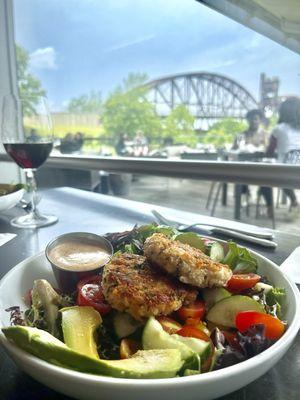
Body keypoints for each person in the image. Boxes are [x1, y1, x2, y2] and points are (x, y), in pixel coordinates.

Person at [263, 97, 300, 219]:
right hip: (296, 173)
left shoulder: (279, 129)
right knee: (285, 179)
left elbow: (269, 152)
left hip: (285, 172)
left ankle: (269, 208)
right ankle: (294, 202)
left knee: (263, 179)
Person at [233, 109, 269, 204]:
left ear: (260, 120)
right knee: (240, 172)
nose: (253, 121)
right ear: (247, 120)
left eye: (256, 119)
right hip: (246, 167)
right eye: (251, 119)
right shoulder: (242, 134)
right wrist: (237, 145)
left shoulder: (265, 135)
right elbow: (234, 150)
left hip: (262, 167)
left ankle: (264, 199)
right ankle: (244, 196)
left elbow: (268, 149)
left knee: (267, 174)